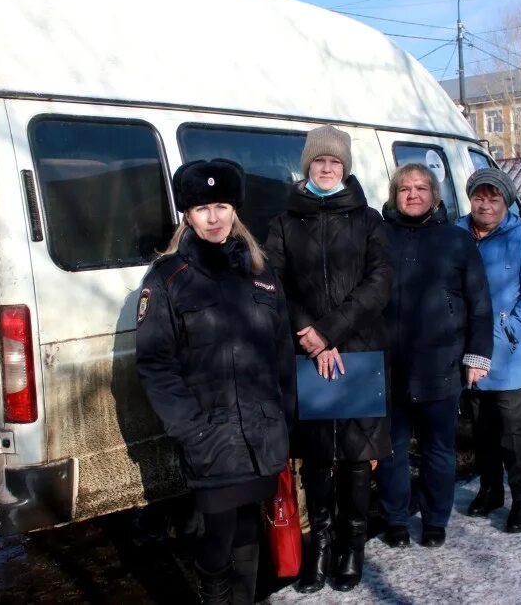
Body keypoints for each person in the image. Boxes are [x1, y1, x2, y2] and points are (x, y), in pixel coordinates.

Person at [135, 159, 295, 605]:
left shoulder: (261, 274)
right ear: (187, 213)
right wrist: (192, 430)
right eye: (202, 207)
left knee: (248, 532)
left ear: (235, 211)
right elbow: (155, 365)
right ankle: (214, 595)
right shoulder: (168, 280)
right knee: (217, 537)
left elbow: (282, 355)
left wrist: (287, 421)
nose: (213, 217)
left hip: (261, 436)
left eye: (222, 206)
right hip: (211, 437)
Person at [264, 124, 392, 593]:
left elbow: (379, 283)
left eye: (334, 161)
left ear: (345, 167)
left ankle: (351, 546)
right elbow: (275, 283)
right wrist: (310, 336)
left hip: (356, 350)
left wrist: (330, 333)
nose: (325, 167)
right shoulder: (283, 222)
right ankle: (319, 545)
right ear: (307, 166)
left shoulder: (369, 220)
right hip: (305, 351)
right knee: (317, 457)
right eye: (318, 161)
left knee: (357, 456)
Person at [376, 163, 493, 549]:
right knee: (390, 449)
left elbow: (479, 303)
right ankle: (395, 518)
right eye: (405, 188)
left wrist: (477, 355)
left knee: (438, 450)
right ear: (394, 195)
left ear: (434, 195)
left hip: (441, 363)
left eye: (421, 188)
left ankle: (434, 520)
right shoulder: (377, 237)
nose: (413, 194)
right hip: (389, 365)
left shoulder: (456, 240)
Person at [456, 168, 521, 534]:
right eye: (479, 197)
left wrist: (508, 329)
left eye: (494, 197)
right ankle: (490, 490)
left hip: (508, 356)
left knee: (514, 433)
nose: (486, 204)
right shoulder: (456, 234)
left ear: (506, 201)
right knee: (481, 431)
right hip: (468, 355)